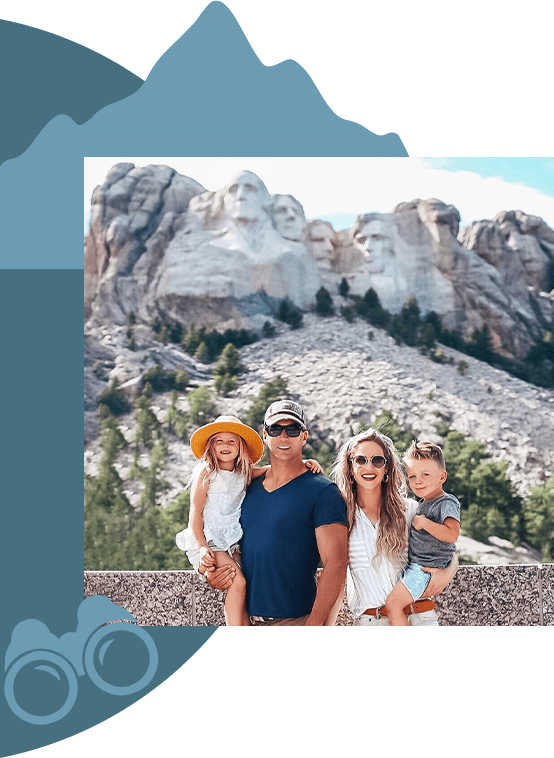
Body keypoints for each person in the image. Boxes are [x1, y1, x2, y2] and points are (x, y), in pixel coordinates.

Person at [202, 401, 348, 626]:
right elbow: (218, 530)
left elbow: (336, 564)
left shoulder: (323, 492)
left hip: (297, 620)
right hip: (246, 619)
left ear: (304, 436)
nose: (283, 436)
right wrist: (215, 572)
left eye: (292, 430)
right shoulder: (245, 488)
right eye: (275, 429)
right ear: (265, 435)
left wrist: (315, 624)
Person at [176, 414, 323, 626]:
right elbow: (195, 514)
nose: (225, 446)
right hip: (211, 538)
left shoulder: (243, 473)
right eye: (219, 441)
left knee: (249, 584)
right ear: (211, 446)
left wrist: (304, 463)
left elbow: (275, 469)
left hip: (232, 538)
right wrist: (201, 548)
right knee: (237, 583)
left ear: (240, 447)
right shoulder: (206, 473)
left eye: (231, 441)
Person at [331, 428, 458, 626]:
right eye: (361, 460)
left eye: (377, 460)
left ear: (387, 467)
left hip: (420, 617)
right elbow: (334, 573)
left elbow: (446, 546)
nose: (369, 467)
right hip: (373, 620)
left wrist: (448, 572)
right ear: (350, 465)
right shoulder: (340, 516)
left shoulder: (411, 510)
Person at [384, 440, 460, 626]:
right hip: (417, 568)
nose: (418, 481)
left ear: (442, 477)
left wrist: (425, 523)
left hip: (424, 569)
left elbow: (452, 535)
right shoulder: (424, 503)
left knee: (393, 605)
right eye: (412, 476)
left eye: (425, 474)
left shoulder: (446, 502)